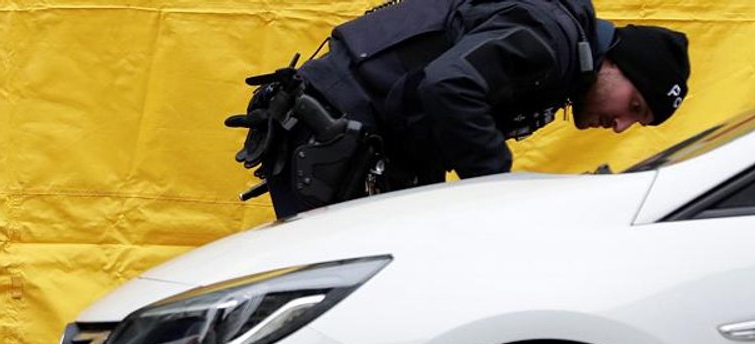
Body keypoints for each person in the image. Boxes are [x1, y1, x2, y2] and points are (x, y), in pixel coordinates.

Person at [227, 0, 692, 219]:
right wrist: (496, 188)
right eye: (633, 104)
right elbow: (449, 85)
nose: (621, 124)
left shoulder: (562, 51)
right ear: (615, 62)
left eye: (639, 122)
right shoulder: (548, 39)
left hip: (363, 142)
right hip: (331, 133)